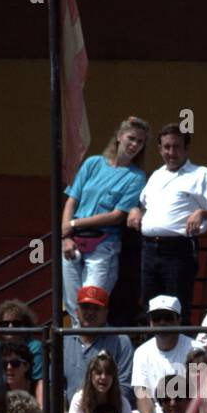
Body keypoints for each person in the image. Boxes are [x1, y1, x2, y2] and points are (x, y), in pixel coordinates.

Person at [128, 124, 207, 323]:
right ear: (160, 149)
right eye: (166, 147)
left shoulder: (200, 174)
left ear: (186, 148)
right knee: (150, 308)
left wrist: (201, 212)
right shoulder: (157, 175)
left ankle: (182, 354)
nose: (171, 152)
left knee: (177, 308)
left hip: (178, 251)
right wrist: (136, 211)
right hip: (148, 249)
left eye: (176, 147)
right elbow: (144, 205)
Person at [60, 116, 150, 320]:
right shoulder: (93, 163)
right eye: (131, 138)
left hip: (103, 245)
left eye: (140, 142)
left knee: (93, 302)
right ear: (119, 136)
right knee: (73, 305)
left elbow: (117, 216)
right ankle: (77, 350)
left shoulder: (136, 177)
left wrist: (72, 224)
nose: (134, 145)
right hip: (72, 241)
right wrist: (65, 235)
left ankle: (98, 350)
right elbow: (72, 199)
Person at [61, 286, 134, 407]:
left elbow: (125, 387)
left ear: (106, 312)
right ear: (77, 311)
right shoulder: (64, 340)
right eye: (85, 307)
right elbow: (55, 385)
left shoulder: (121, 341)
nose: (90, 312)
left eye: (96, 308)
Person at [132, 295, 193, 413]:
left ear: (179, 320)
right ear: (150, 323)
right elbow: (142, 394)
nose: (162, 322)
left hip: (183, 411)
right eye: (157, 318)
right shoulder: (141, 352)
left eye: (168, 318)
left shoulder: (195, 349)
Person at [0, 299, 45, 407]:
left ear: (25, 325)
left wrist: (40, 408)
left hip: (28, 397)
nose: (10, 327)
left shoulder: (35, 346)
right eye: (5, 324)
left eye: (16, 323)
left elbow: (39, 381)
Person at [65, 351, 134, 413]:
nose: (103, 377)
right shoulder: (79, 400)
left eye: (108, 373)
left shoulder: (123, 402)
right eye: (99, 373)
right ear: (90, 376)